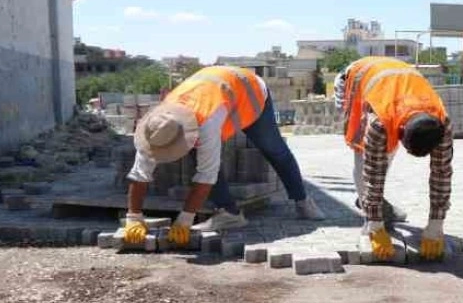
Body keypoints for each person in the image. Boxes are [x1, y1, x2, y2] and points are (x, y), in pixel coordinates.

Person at [123, 65, 325, 246]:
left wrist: (184, 221)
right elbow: (139, 173)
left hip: (251, 94)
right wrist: (133, 217)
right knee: (197, 153)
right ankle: (230, 213)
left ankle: (303, 201)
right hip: (218, 91)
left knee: (274, 150)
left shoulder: (206, 124)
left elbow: (206, 175)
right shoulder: (156, 127)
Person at [334, 56, 453, 261]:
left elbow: (442, 173)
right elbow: (372, 174)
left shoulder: (442, 122)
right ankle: (370, 218)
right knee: (364, 158)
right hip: (354, 80)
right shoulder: (380, 123)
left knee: (384, 157)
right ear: (401, 131)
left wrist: (436, 225)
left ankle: (379, 208)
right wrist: (376, 227)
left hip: (394, 88)